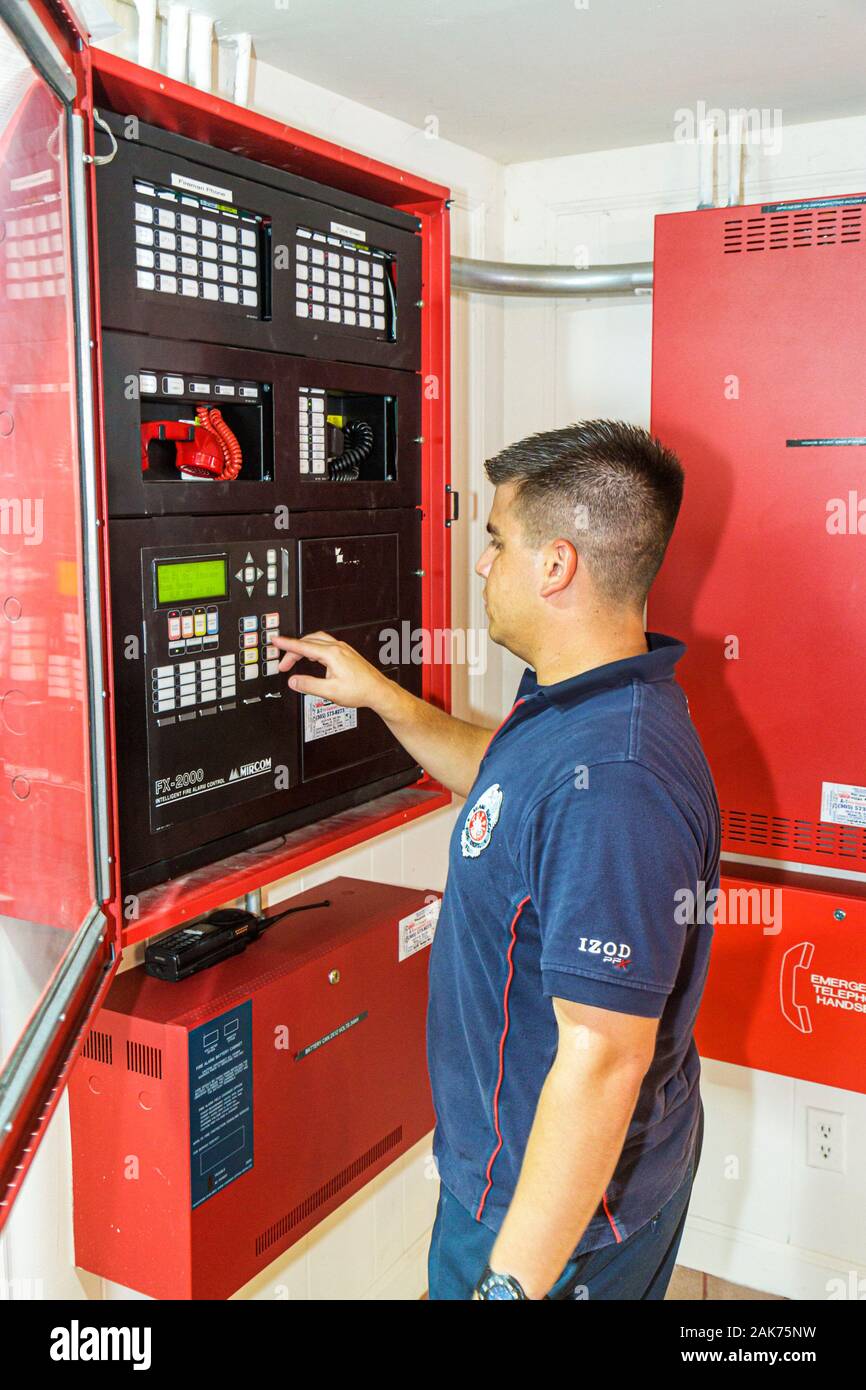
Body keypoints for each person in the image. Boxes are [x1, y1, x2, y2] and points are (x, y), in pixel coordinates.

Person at [272, 420, 720, 1301]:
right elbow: (508, 786)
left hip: (554, 1218)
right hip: (583, 1176)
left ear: (555, 566)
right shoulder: (585, 706)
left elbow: (601, 1058)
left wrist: (510, 1285)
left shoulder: (615, 786)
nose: (481, 564)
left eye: (495, 540)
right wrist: (383, 697)